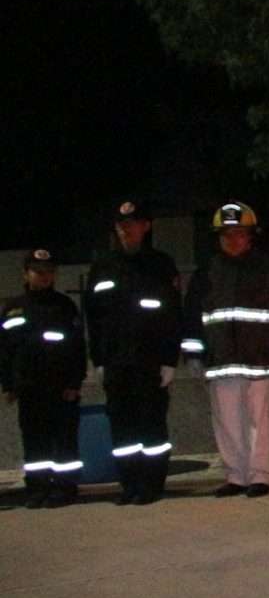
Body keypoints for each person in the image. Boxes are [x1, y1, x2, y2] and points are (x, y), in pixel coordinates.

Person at [182, 201, 269, 498]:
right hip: (221, 362)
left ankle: (259, 475)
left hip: (260, 360)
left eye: (239, 233)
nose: (233, 239)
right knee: (228, 423)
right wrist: (193, 354)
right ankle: (235, 476)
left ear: (250, 235)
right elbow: (193, 317)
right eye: (227, 234)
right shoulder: (205, 274)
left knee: (259, 422)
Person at [84, 200, 183, 505]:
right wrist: (99, 360)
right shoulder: (102, 267)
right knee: (123, 428)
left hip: (151, 361)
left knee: (152, 426)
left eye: (133, 224)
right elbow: (93, 317)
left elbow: (172, 316)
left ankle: (152, 484)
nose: (127, 230)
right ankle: (129, 484)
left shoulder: (161, 266)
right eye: (122, 226)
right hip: (116, 362)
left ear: (146, 227)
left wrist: (170, 360)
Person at [3, 249, 87, 508]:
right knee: (34, 442)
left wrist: (74, 383)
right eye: (38, 272)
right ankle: (38, 488)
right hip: (29, 388)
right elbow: (4, 351)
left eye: (49, 272)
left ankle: (65, 488)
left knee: (63, 441)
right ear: (25, 274)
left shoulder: (63, 306)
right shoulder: (12, 309)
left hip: (60, 387)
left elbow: (76, 348)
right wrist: (8, 384)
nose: (44, 277)